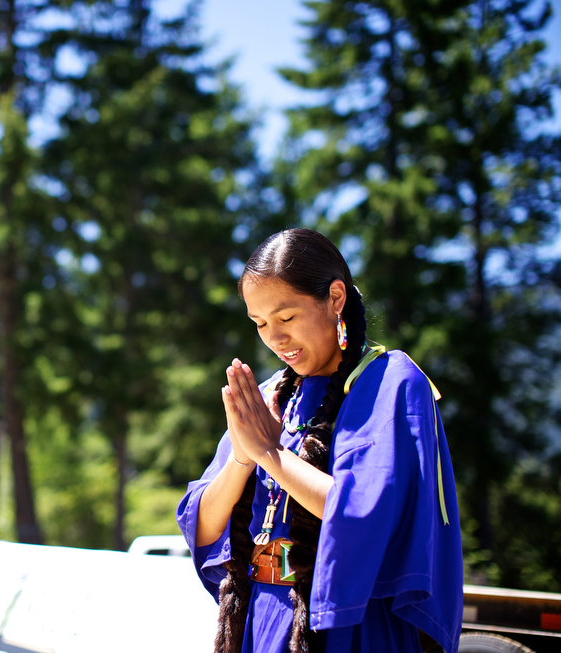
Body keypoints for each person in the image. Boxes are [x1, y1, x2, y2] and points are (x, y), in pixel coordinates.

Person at [176, 228, 463, 652]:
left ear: (335, 297)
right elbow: (201, 526)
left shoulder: (390, 382)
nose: (274, 337)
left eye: (286, 317)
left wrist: (270, 455)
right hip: (261, 618)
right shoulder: (273, 394)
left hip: (349, 624)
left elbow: (361, 510)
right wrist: (241, 459)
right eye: (260, 323)